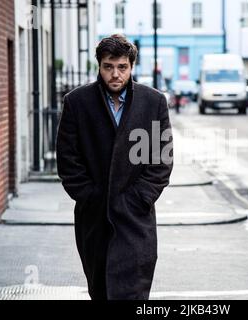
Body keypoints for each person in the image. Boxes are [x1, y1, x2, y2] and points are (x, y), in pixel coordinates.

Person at [56, 34, 173, 300]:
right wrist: (91, 196)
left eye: (122, 67)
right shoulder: (77, 102)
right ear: (99, 66)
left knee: (133, 292)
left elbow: (162, 160)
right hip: (94, 219)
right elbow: (67, 159)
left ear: (132, 67)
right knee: (100, 290)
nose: (115, 74)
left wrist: (137, 199)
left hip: (135, 219)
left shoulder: (153, 102)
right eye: (109, 67)